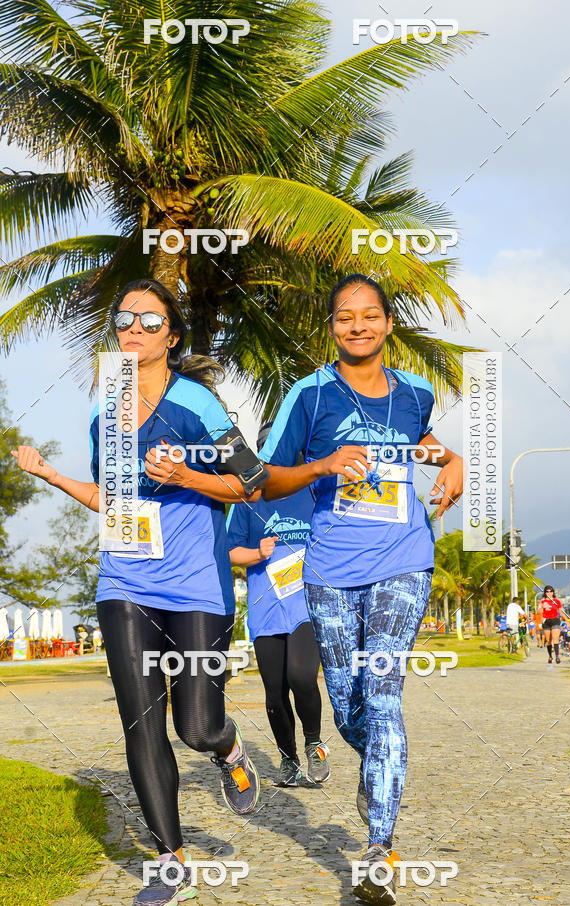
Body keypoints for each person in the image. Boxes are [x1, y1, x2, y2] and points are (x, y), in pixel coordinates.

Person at [12, 278, 262, 906]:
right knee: (142, 722)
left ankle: (227, 746)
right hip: (125, 579)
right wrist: (50, 475)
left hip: (196, 582)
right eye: (125, 318)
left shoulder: (197, 402)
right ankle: (170, 861)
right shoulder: (106, 413)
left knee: (196, 727)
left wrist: (186, 476)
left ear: (172, 337)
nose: (134, 328)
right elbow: (111, 500)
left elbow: (252, 483)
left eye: (150, 321)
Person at [258, 273, 463, 905]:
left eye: (369, 315)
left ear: (388, 324)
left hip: (404, 558)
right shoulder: (310, 395)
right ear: (331, 329)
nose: (358, 326)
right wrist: (322, 464)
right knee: (349, 706)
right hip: (328, 571)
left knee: (383, 694)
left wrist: (452, 461)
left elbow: (419, 443)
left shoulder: (415, 392)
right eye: (345, 317)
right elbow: (265, 479)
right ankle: (378, 773)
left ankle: (379, 848)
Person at [227, 422, 329, 787]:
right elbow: (229, 551)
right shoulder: (248, 498)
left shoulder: (313, 490)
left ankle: (314, 744)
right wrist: (257, 553)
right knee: (274, 691)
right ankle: (288, 758)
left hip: (306, 605)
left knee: (301, 676)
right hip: (266, 608)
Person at [537, 586, 568, 664]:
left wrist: (567, 620)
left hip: (555, 620)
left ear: (553, 592)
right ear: (545, 593)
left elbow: (561, 611)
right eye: (547, 591)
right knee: (548, 640)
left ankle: (557, 656)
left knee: (555, 638)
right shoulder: (542, 601)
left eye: (550, 591)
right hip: (546, 621)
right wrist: (543, 607)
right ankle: (550, 656)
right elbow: (538, 612)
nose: (549, 593)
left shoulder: (556, 601)